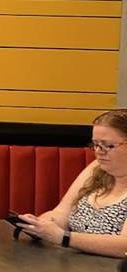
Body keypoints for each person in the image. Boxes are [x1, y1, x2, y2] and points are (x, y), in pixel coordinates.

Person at [14, 109, 127, 257]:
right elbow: (62, 213)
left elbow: (124, 245)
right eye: (95, 144)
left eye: (108, 146)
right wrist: (39, 224)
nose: (99, 152)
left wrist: (64, 237)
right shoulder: (97, 168)